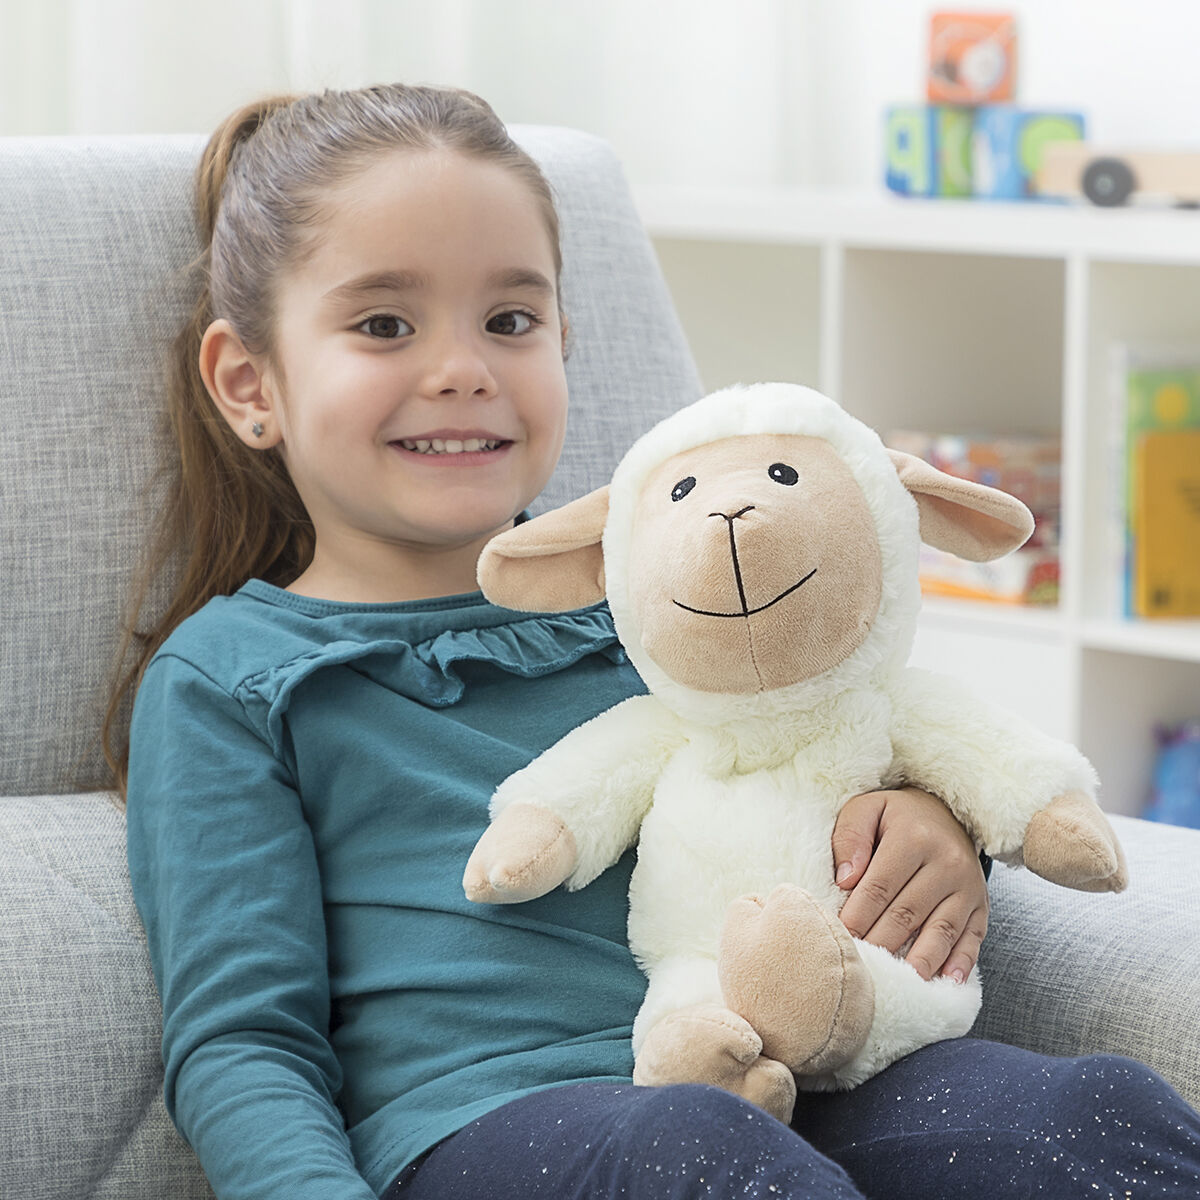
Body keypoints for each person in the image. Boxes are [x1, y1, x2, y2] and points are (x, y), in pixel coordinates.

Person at [107, 83, 1200, 1200]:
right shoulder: (230, 681)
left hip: (798, 1068)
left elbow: (832, 741)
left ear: (564, 343)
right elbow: (245, 1046)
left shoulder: (668, 599)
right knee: (698, 1151)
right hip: (492, 1125)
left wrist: (931, 824)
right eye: (385, 324)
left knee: (1088, 1115)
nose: (464, 368)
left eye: (511, 321)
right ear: (250, 383)